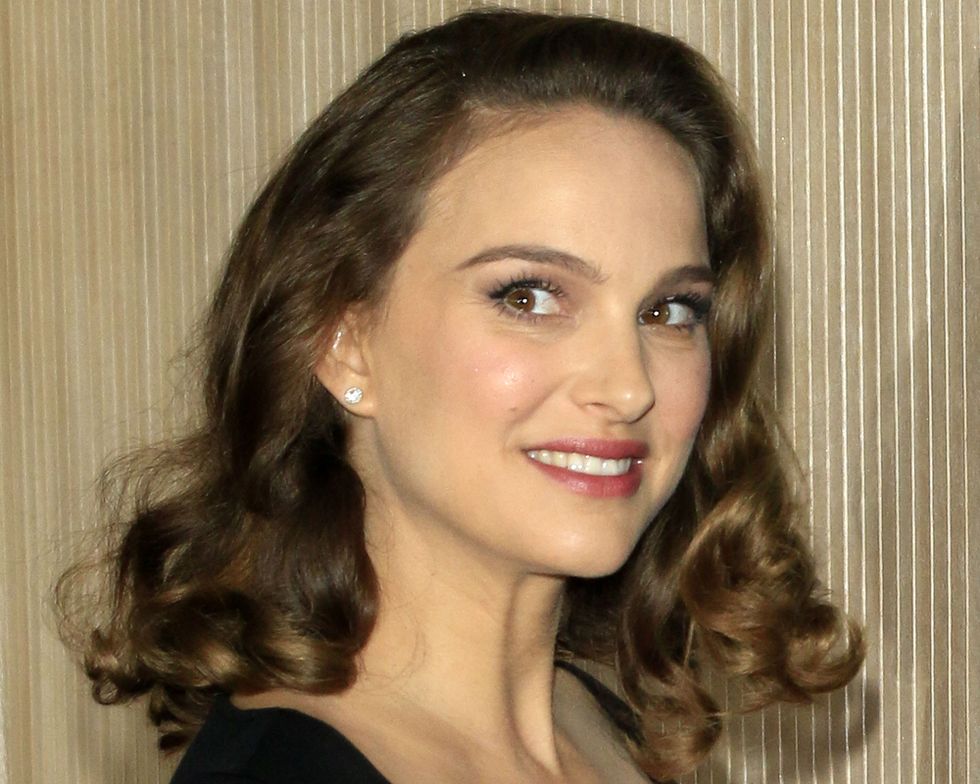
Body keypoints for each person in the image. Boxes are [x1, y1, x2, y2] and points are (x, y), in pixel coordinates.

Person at [58, 9, 864, 783]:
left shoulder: (609, 734)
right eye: (529, 296)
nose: (628, 386)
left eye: (670, 311)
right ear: (343, 339)